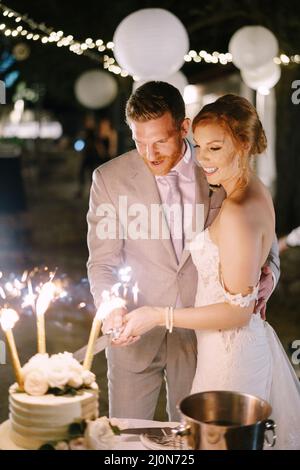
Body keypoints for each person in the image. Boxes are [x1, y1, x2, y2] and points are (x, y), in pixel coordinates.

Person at [87, 83, 280, 421]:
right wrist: (112, 306)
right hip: (135, 340)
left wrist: (271, 274)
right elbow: (102, 262)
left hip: (203, 340)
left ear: (184, 127)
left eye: (161, 140)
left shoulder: (218, 166)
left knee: (194, 440)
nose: (151, 154)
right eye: (139, 141)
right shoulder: (109, 179)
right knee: (126, 439)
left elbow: (263, 234)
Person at [116, 94, 300, 449]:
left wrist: (157, 315)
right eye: (199, 146)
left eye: (215, 148)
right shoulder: (255, 189)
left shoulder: (236, 209)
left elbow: (236, 311)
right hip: (226, 349)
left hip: (231, 357)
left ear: (243, 144)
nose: (202, 159)